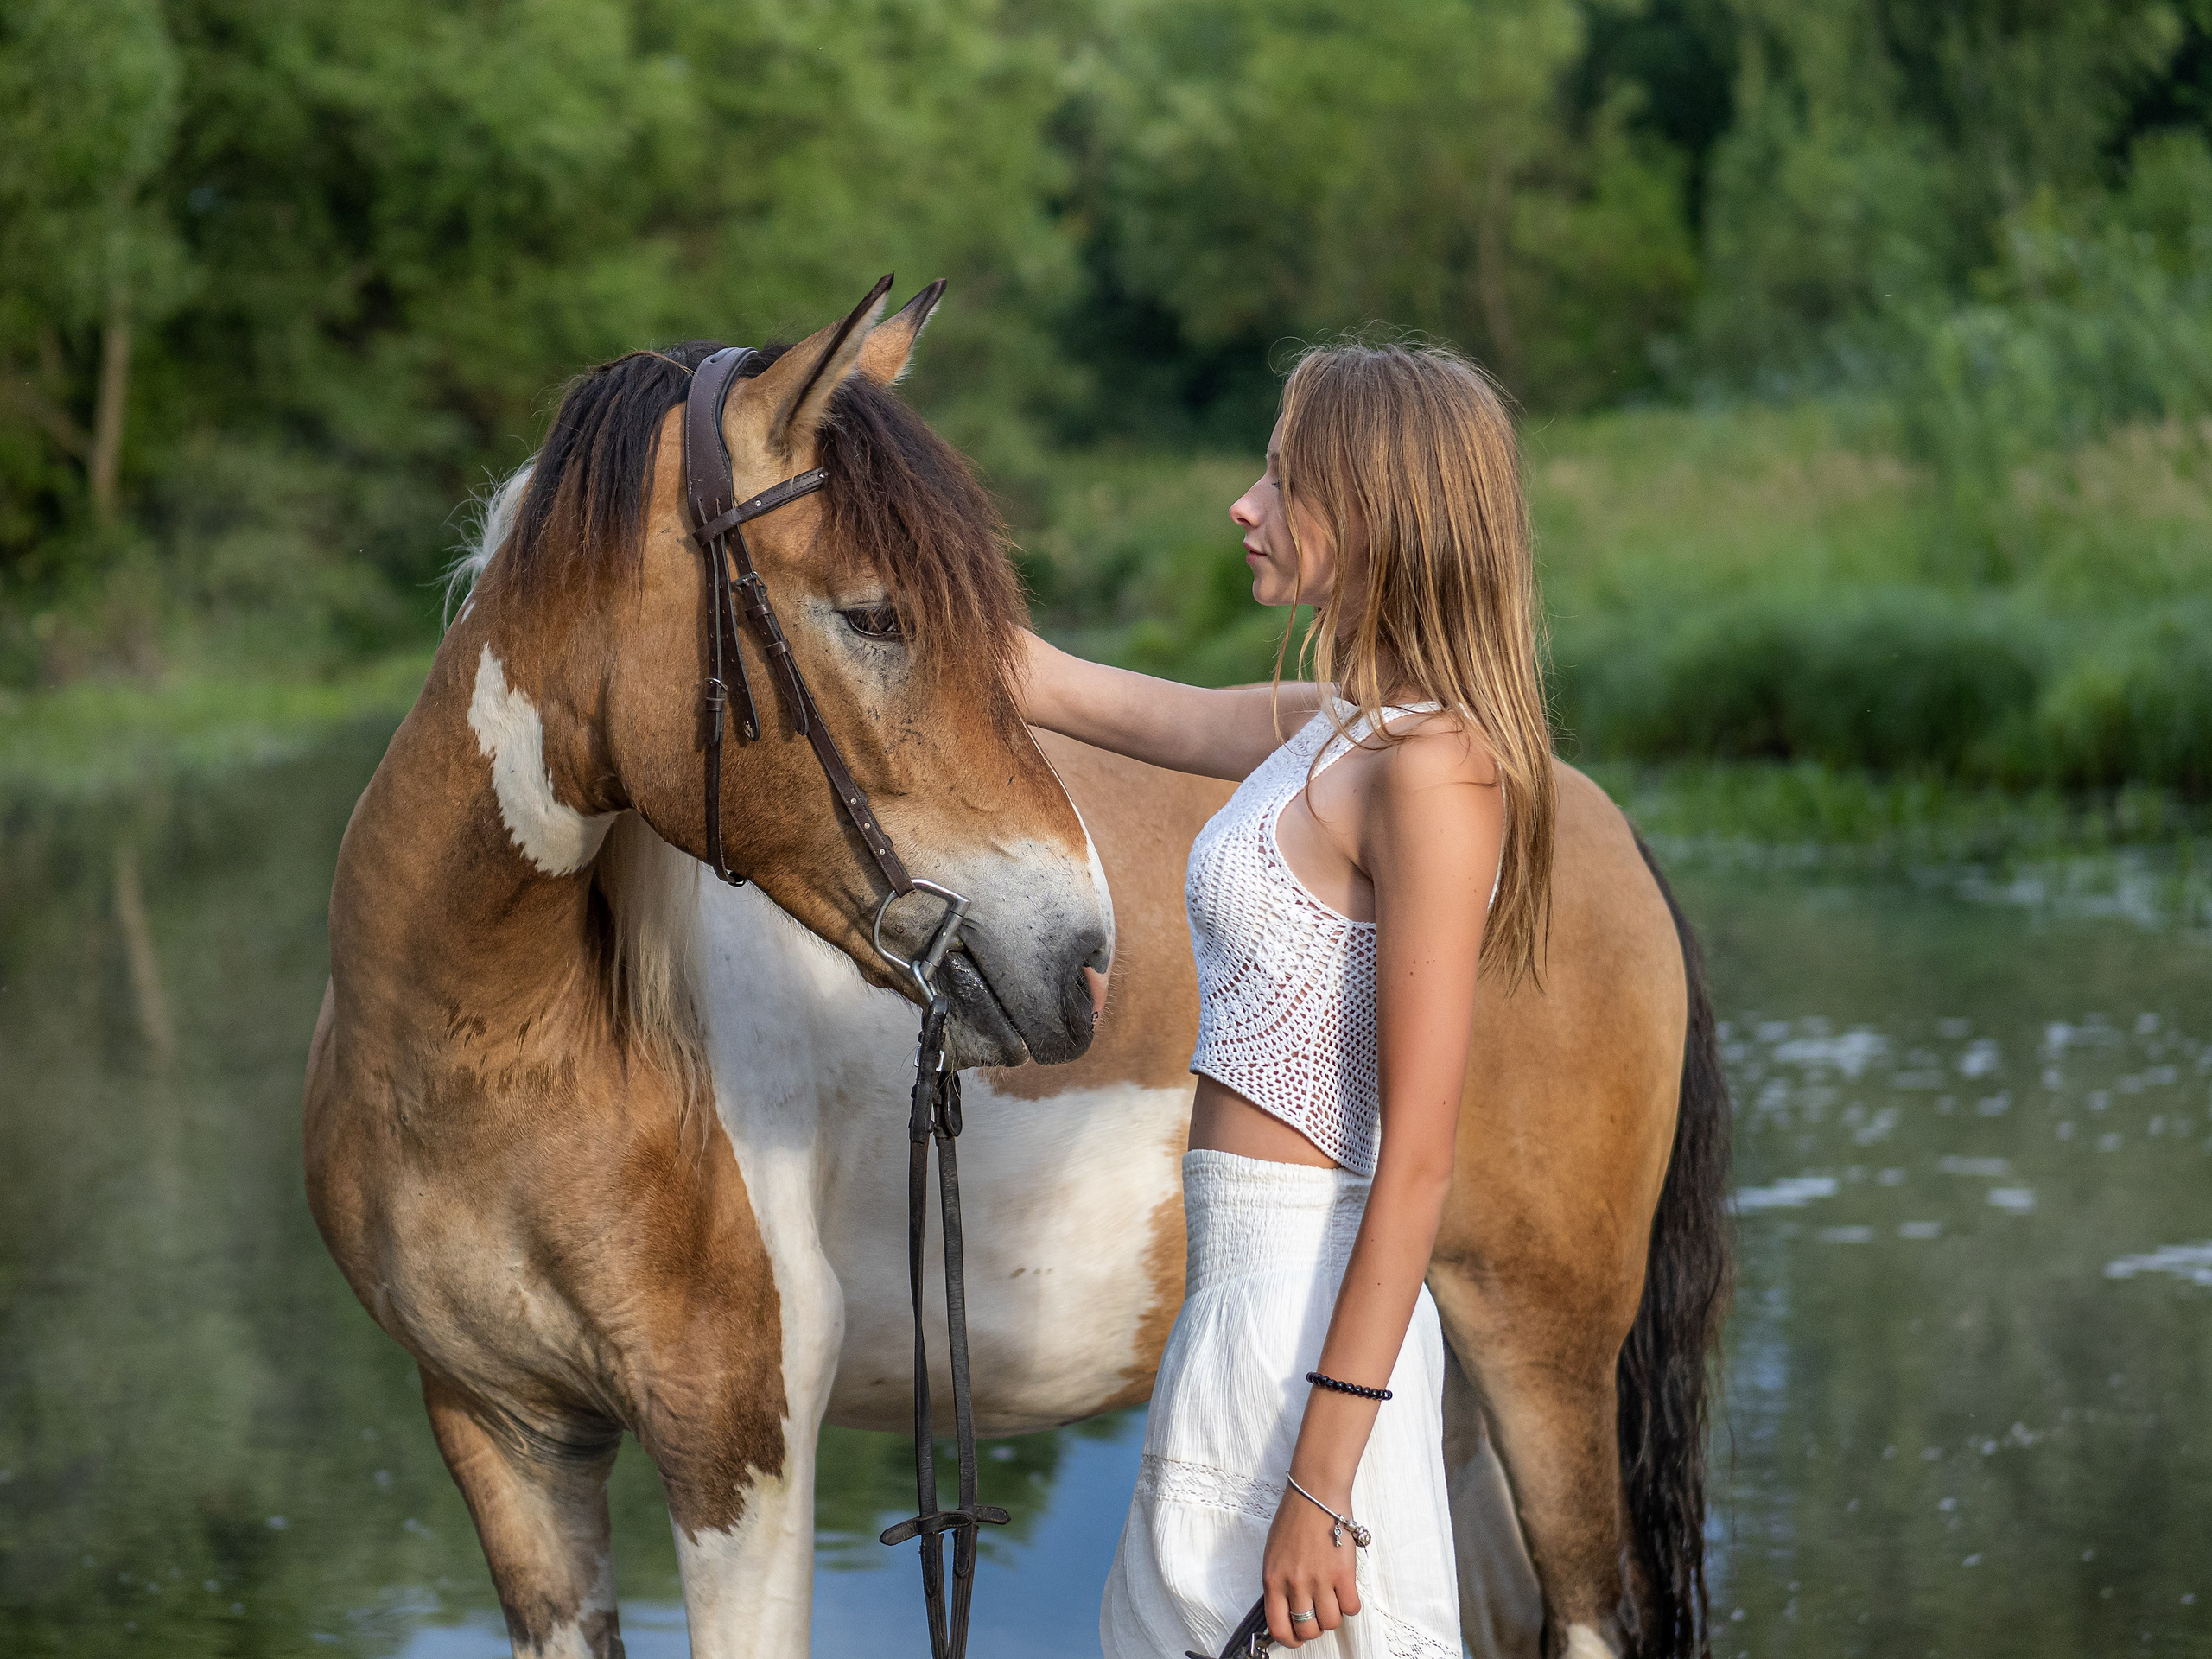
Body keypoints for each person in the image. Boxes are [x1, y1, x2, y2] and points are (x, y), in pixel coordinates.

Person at [1017, 340, 1557, 1658]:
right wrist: (866, 529)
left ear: (1379, 513)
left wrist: (1323, 1479)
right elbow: (1083, 695)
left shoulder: (1433, 773)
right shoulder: (1330, 725)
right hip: (1234, 1305)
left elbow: (1417, 1164)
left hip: (1313, 1324)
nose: (1245, 505)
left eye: (1283, 476)